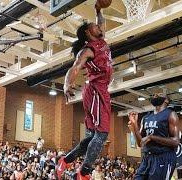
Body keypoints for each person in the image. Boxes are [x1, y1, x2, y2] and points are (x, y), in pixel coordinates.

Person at [58, 1, 112, 179]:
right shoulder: (87, 50)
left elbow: (101, 21)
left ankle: (65, 161)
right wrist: (67, 84)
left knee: (91, 136)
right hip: (96, 91)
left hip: (100, 91)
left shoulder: (101, 40)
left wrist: (98, 10)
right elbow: (74, 68)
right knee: (102, 133)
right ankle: (84, 172)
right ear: (89, 33)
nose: (99, 26)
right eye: (95, 26)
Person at [128, 93, 180, 180]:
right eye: (155, 94)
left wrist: (152, 137)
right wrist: (135, 126)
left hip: (164, 156)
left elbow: (176, 141)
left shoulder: (171, 114)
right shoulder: (146, 117)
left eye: (159, 94)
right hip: (147, 157)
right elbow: (140, 143)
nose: (155, 94)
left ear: (166, 100)